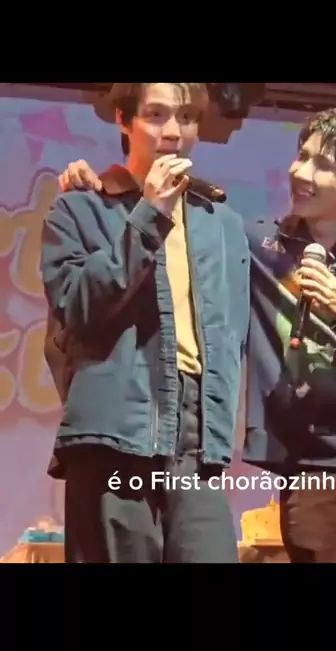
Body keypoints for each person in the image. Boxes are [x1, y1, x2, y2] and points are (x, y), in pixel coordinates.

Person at [57, 106, 336, 563]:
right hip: (311, 466)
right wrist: (103, 185)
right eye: (301, 156)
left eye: (321, 165)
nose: (299, 172)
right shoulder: (258, 245)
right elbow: (188, 233)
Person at [41, 82, 250, 563]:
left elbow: (235, 332)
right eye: (156, 115)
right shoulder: (81, 207)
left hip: (196, 443)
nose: (174, 131)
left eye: (187, 117)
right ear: (123, 119)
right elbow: (78, 308)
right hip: (117, 430)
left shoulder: (222, 222)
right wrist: (150, 213)